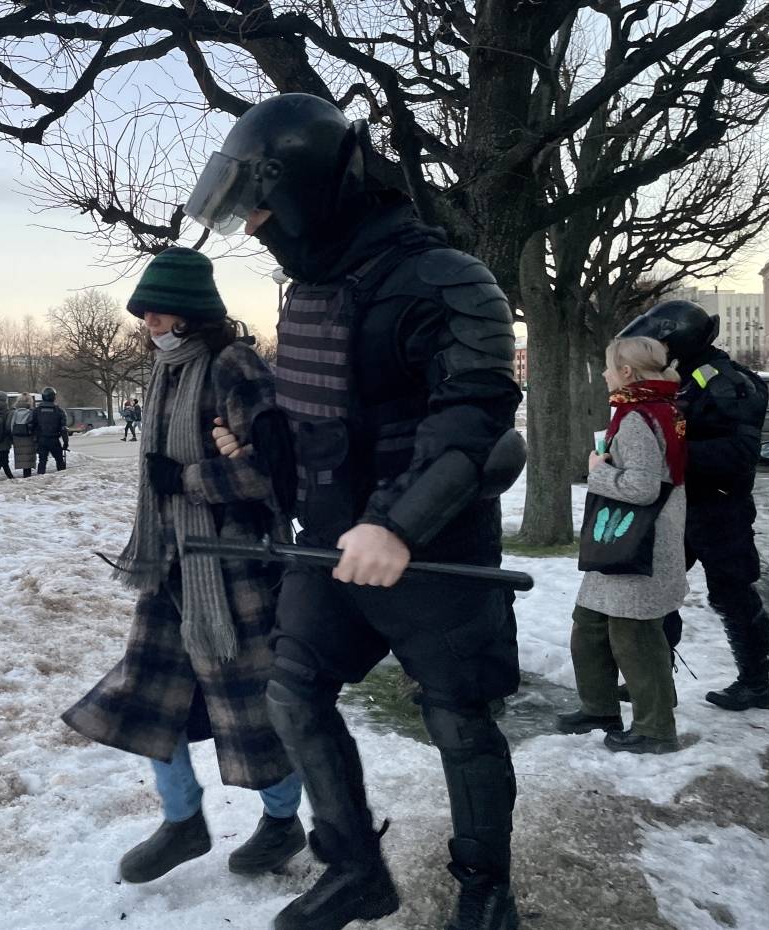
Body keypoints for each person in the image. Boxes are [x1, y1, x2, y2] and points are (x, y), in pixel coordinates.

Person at [190, 94, 525, 930]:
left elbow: (471, 421)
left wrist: (398, 524)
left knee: (458, 719)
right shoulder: (310, 292)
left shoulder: (451, 282)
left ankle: (487, 890)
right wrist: (261, 443)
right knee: (294, 693)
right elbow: (329, 426)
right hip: (330, 550)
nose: (259, 227)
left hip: (433, 552)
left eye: (263, 207)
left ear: (306, 186)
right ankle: (356, 870)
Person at [63, 247, 305, 888]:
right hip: (171, 567)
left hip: (234, 572)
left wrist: (191, 478)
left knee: (250, 712)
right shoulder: (167, 371)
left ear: (193, 313)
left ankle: (283, 820)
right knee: (150, 702)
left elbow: (275, 471)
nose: (149, 321)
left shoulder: (235, 365)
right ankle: (182, 820)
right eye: (144, 311)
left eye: (160, 310)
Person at [619, 299, 769, 712]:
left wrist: (671, 451)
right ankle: (651, 679)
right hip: (676, 504)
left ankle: (756, 682)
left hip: (719, 509)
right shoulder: (678, 377)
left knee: (732, 593)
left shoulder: (726, 382)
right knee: (658, 591)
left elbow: (740, 454)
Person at [556, 337, 686, 754]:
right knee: (590, 626)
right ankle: (599, 709)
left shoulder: (636, 418)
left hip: (635, 545)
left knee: (636, 637)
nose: (606, 375)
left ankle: (655, 730)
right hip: (625, 541)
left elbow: (643, 487)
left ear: (627, 373)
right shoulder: (664, 409)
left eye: (610, 367)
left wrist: (596, 471)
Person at [32, 386, 68, 473]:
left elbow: (32, 426)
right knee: (60, 461)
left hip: (42, 440)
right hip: (54, 440)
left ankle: (40, 481)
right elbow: (63, 429)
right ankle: (62, 480)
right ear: (53, 397)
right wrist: (66, 442)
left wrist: (35, 440)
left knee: (42, 462)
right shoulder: (59, 411)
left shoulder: (37, 411)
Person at [11, 392, 37, 478]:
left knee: (22, 458)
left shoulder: (15, 412)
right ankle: (27, 476)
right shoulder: (31, 412)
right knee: (28, 459)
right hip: (28, 438)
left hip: (18, 439)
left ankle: (25, 475)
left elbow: (11, 426)